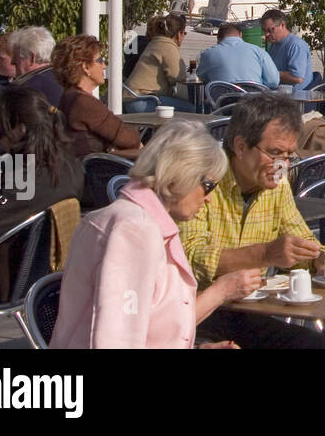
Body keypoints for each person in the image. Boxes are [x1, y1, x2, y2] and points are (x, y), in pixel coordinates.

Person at [51, 120, 263, 348]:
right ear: (183, 172)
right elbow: (118, 337)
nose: (209, 198)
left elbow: (154, 324)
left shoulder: (136, 221)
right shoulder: (135, 229)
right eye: (209, 186)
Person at [181, 92, 325, 348]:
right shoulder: (204, 180)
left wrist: (322, 258)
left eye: (289, 155)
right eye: (275, 153)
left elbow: (300, 239)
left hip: (248, 312)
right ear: (240, 146)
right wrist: (265, 253)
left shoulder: (276, 184)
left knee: (314, 344)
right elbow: (191, 257)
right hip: (193, 311)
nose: (282, 165)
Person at [0, 87, 84, 303]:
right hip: (48, 279)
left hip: (4, 283)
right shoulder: (69, 164)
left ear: (19, 130)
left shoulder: (24, 181)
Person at [51, 35, 142, 166]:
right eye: (100, 60)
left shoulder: (70, 96)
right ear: (85, 67)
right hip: (99, 175)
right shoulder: (84, 103)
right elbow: (131, 139)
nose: (104, 66)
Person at [127, 12, 196, 111]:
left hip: (133, 97)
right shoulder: (168, 46)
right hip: (144, 101)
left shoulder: (156, 42)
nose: (184, 36)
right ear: (178, 34)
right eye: (184, 33)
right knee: (191, 108)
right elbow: (179, 77)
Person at [196, 22, 280, 89]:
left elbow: (201, 76)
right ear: (240, 34)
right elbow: (273, 81)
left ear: (218, 39)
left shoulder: (208, 54)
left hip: (222, 105)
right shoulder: (258, 51)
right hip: (253, 105)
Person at [10, 26, 63, 107]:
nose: (12, 62)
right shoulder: (64, 81)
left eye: (15, 56)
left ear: (31, 58)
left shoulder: (25, 92)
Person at [261, 8, 313, 91]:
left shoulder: (296, 45)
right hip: (278, 94)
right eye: (264, 30)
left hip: (295, 98)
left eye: (271, 30)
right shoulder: (274, 44)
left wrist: (270, 73)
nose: (267, 34)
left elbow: (297, 78)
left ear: (282, 25)